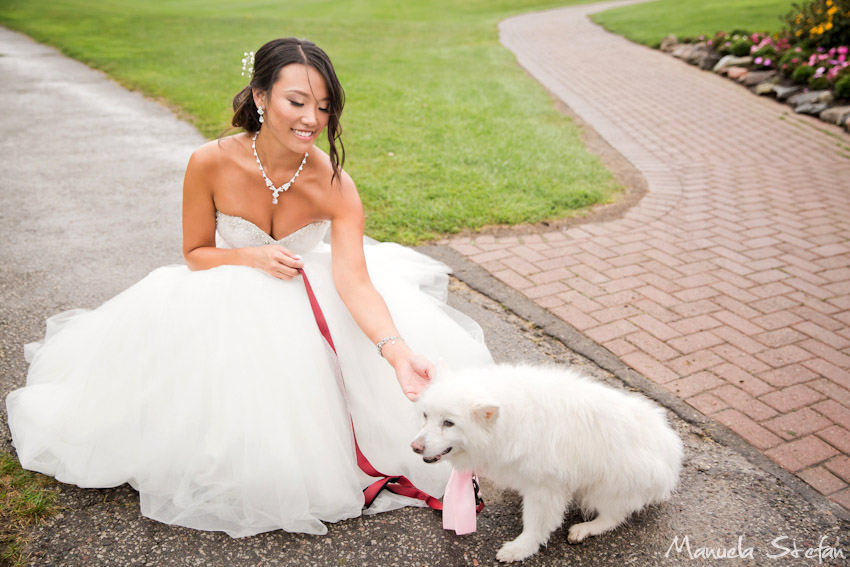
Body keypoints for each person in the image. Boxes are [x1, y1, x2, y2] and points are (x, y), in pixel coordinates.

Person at [5, 37, 492, 537]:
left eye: (323, 107)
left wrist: (395, 352)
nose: (311, 119)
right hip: (222, 299)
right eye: (296, 102)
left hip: (308, 298)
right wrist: (247, 256)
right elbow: (195, 254)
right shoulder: (208, 162)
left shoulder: (336, 185)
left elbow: (355, 282)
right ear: (260, 97)